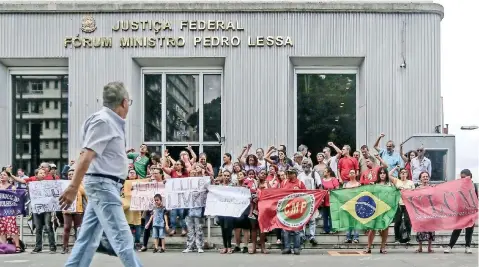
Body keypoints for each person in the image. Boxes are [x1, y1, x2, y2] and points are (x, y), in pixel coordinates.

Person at [59, 81, 143, 267]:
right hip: (103, 184)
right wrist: (73, 187)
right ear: (124, 102)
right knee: (123, 238)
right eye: (130, 102)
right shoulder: (103, 121)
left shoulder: (106, 120)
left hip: (104, 184)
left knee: (88, 240)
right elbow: (86, 155)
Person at [444, 169, 476, 254]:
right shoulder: (459, 185)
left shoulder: (474, 185)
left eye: (464, 177)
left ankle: (468, 246)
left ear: (469, 177)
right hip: (460, 210)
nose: (462, 179)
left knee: (469, 230)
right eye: (461, 177)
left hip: (470, 211)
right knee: (457, 229)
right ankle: (450, 246)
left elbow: (476, 198)